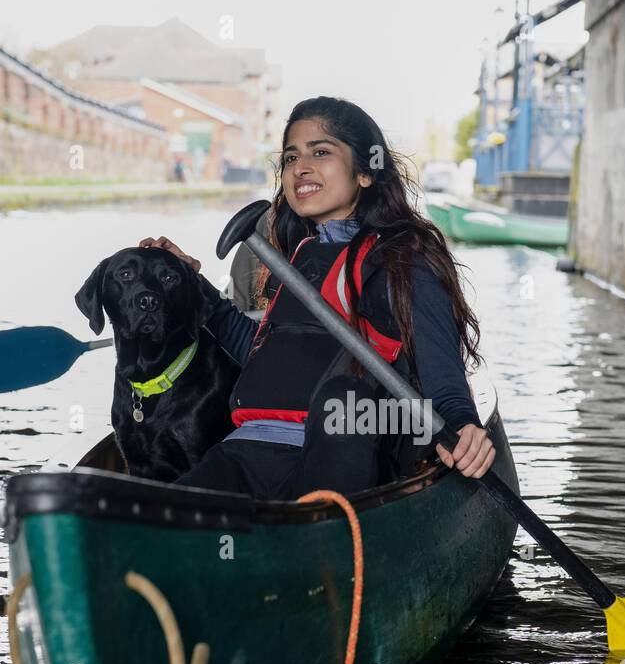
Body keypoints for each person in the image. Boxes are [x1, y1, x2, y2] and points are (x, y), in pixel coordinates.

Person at [140, 95, 495, 499]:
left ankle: (306, 535)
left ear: (365, 172)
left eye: (320, 152)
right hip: (248, 450)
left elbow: (442, 378)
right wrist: (191, 284)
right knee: (167, 514)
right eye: (291, 158)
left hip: (339, 455)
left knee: (342, 397)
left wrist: (464, 425)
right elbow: (262, 354)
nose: (300, 168)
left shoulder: (403, 259)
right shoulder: (299, 256)